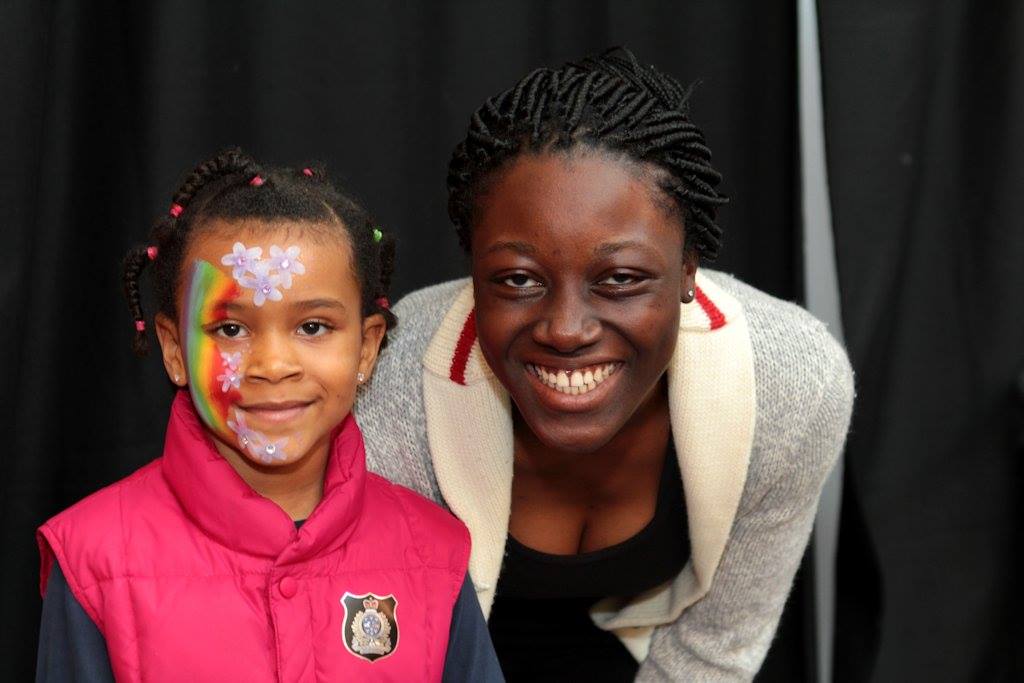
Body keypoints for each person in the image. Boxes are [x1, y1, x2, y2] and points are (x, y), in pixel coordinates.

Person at [356, 48, 855, 681]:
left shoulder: (791, 381)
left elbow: (716, 648)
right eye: (518, 279)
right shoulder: (392, 384)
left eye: (620, 278)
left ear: (688, 269)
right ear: (472, 273)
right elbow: (380, 652)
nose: (566, 330)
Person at [35, 150, 504, 682]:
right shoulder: (93, 560)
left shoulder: (435, 552)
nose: (274, 365)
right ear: (174, 349)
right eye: (230, 330)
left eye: (313, 327)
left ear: (368, 348)